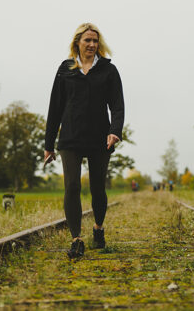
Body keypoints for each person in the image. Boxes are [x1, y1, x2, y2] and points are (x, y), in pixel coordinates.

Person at [44, 23, 124, 259]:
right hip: (70, 137)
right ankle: (76, 239)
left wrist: (115, 131)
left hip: (100, 138)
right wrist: (49, 145)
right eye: (87, 40)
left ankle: (98, 228)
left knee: (97, 187)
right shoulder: (66, 69)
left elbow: (117, 105)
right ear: (77, 42)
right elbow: (55, 108)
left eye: (95, 41)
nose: (91, 44)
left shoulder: (109, 70)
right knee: (72, 186)